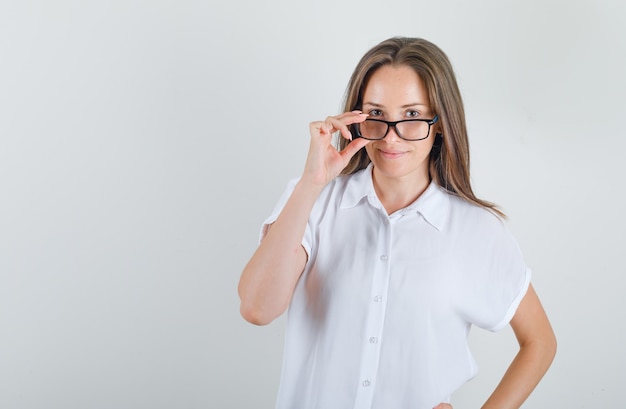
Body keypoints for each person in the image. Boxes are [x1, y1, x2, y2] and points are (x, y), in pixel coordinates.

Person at [238, 37, 556, 409]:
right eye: (375, 114)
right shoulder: (313, 200)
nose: (390, 135)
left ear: (439, 123)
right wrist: (311, 183)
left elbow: (540, 342)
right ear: (355, 118)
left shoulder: (477, 230)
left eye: (411, 115)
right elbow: (257, 308)